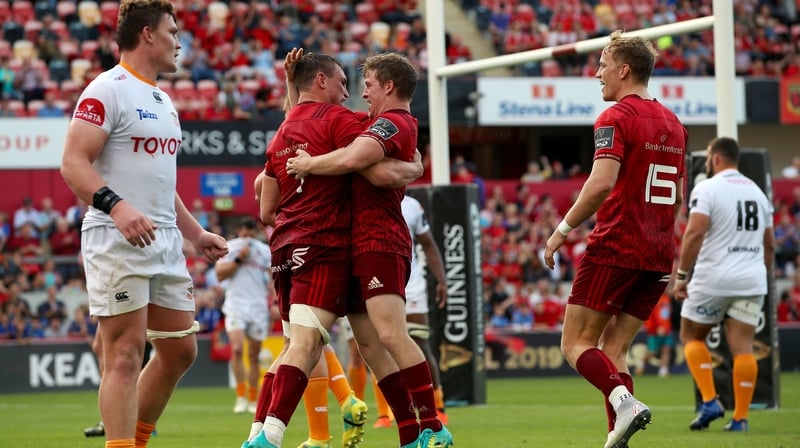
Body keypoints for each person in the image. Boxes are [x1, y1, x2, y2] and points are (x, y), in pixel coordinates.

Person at [59, 2, 229, 447]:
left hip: (165, 239)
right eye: (173, 31)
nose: (179, 41)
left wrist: (195, 233)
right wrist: (117, 207)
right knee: (125, 352)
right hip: (116, 237)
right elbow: (73, 164)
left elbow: (161, 182)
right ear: (148, 34)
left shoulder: (164, 100)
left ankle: (134, 438)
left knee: (179, 350)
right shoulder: (106, 90)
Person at [245, 50, 421, 448]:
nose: (349, 94)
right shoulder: (345, 122)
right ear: (322, 81)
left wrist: (292, 91)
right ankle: (270, 437)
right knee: (315, 344)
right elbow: (375, 167)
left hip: (283, 250)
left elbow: (264, 204)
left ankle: (260, 431)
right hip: (324, 245)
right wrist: (414, 168)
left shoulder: (282, 132)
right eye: (343, 83)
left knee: (309, 346)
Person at [286, 52, 453, 448]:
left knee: (393, 334)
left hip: (380, 239)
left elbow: (365, 162)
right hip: (360, 243)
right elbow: (310, 126)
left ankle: (432, 424)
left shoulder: (394, 121)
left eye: (370, 84)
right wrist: (293, 88)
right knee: (371, 345)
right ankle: (410, 433)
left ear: (389, 87)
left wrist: (310, 164)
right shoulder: (377, 123)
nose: (362, 92)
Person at [543, 29, 687, 448]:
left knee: (575, 343)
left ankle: (623, 401)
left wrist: (561, 231)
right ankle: (617, 436)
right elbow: (677, 194)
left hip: (618, 244)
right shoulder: (675, 124)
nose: (596, 73)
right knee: (615, 349)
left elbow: (601, 183)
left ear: (624, 70)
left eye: (602, 64)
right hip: (659, 251)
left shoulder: (615, 117)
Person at [673, 137, 774, 433]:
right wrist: (757, 274)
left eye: (707, 157)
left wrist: (681, 276)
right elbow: (769, 245)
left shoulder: (707, 187)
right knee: (743, 348)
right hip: (752, 277)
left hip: (714, 277)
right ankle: (740, 418)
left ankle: (709, 401)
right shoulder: (758, 193)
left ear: (716, 158)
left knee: (691, 335)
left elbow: (694, 233)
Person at [368, 194, 449, 428]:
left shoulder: (412, 206)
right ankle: (385, 413)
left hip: (412, 285)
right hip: (380, 283)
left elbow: (429, 245)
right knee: (379, 347)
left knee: (419, 342)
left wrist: (442, 280)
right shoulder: (368, 199)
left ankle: (438, 407)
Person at [215, 217, 272, 414]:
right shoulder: (230, 248)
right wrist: (240, 258)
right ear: (239, 232)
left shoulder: (264, 251)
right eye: (244, 232)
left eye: (251, 232)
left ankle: (253, 398)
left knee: (254, 355)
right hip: (236, 305)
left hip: (258, 306)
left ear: (255, 233)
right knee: (237, 349)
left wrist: (274, 299)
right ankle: (240, 396)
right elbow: (220, 274)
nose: (247, 236)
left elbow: (272, 276)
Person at [635, 293, 674, 378]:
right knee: (652, 351)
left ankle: (663, 371)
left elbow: (666, 315)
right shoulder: (654, 297)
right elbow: (651, 314)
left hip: (667, 329)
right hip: (654, 331)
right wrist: (654, 327)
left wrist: (665, 326)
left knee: (666, 350)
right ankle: (640, 364)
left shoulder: (667, 298)